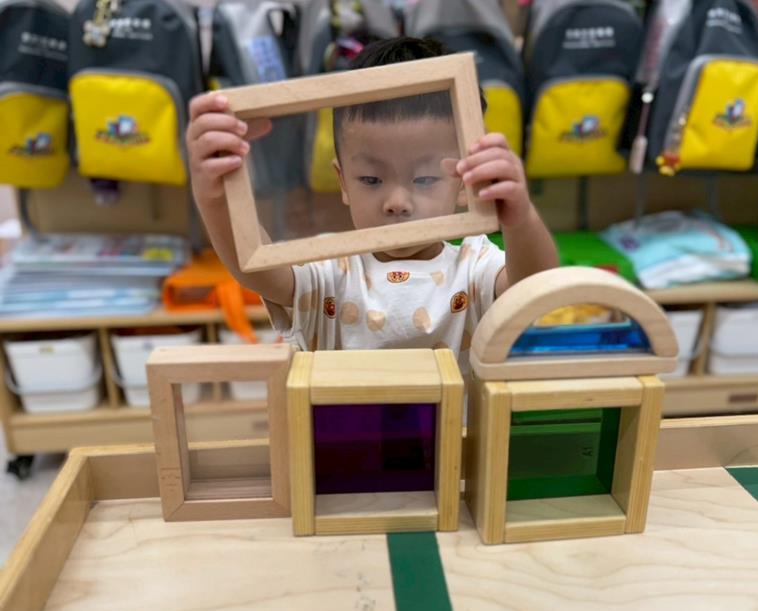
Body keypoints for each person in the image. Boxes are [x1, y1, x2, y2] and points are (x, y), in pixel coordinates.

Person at [187, 36, 558, 369]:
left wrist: (521, 218)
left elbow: (534, 288)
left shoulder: (474, 266)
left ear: (464, 182)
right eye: (371, 180)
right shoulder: (329, 269)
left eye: (425, 179)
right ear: (343, 182)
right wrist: (215, 195)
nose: (397, 202)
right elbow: (255, 268)